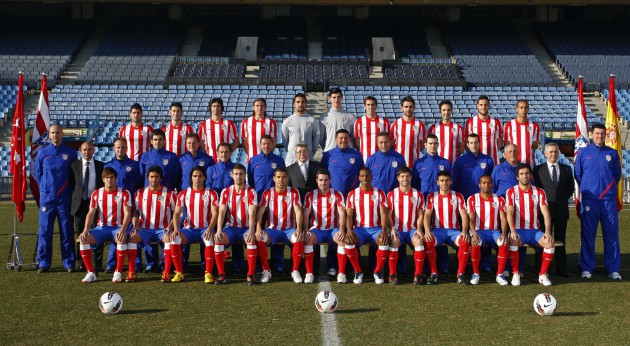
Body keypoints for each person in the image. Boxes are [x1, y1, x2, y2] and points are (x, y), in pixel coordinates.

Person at [574, 123, 622, 280]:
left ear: (606, 135)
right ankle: (587, 268)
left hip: (608, 202)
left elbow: (617, 175)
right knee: (588, 235)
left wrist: (606, 191)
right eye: (597, 133)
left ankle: (613, 269)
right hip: (590, 200)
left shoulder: (613, 153)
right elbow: (578, 174)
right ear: (591, 134)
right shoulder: (583, 153)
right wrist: (591, 189)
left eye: (602, 134)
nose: (599, 136)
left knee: (611, 236)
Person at [78, 168, 138, 283]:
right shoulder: (96, 193)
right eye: (107, 178)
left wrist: (123, 230)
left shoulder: (124, 193)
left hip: (118, 228)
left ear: (115, 179)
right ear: (103, 179)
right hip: (101, 228)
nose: (109, 180)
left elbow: (127, 213)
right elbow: (91, 213)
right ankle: (91, 273)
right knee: (83, 239)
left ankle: (118, 272)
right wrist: (85, 230)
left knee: (121, 238)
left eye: (111, 177)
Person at [34, 125, 78, 273]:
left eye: (58, 132)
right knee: (45, 232)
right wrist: (46, 190)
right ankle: (44, 263)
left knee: (67, 231)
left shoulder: (71, 153)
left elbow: (74, 176)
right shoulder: (42, 153)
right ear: (49, 135)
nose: (55, 135)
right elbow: (39, 175)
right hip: (47, 199)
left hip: (65, 199)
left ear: (62, 134)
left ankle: (69, 262)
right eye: (52, 133)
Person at [505, 164, 555, 286]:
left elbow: (546, 213)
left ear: (531, 176)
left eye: (527, 173)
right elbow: (509, 212)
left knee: (549, 242)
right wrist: (512, 231)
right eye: (521, 174)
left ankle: (542, 275)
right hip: (518, 230)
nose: (524, 176)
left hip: (534, 231)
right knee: (512, 241)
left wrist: (548, 232)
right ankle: (516, 273)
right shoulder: (511, 192)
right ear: (517, 177)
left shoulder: (539, 192)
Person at [254, 168, 304, 283]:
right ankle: (266, 270)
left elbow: (299, 211)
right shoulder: (268, 193)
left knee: (299, 238)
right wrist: (258, 228)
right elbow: (260, 212)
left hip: (290, 230)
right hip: (273, 230)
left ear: (287, 178)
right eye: (278, 177)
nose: (280, 180)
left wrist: (299, 229)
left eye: (283, 177)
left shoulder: (293, 192)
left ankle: (295, 270)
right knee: (259, 237)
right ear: (274, 178)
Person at [533, 143, 574, 277]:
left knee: (561, 240)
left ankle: (562, 269)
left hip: (561, 211)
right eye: (550, 152)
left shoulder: (567, 169)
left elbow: (570, 189)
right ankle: (543, 269)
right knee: (544, 239)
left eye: (555, 152)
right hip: (544, 212)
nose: (553, 154)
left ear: (559, 153)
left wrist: (560, 200)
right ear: (545, 153)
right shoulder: (538, 170)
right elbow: (537, 189)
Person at [172, 166, 219, 284]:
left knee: (209, 240)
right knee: (174, 239)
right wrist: (176, 229)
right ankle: (179, 272)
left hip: (205, 229)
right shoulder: (183, 193)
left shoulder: (211, 193)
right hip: (189, 230)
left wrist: (210, 229)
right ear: (191, 178)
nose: (197, 178)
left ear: (204, 178)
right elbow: (177, 213)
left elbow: (215, 214)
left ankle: (208, 273)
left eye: (199, 176)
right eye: (194, 176)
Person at [422, 170, 471, 285]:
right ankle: (434, 273)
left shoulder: (458, 196)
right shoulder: (432, 196)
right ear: (437, 182)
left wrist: (464, 231)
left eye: (447, 181)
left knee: (464, 241)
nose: (444, 183)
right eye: (442, 181)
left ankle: (460, 274)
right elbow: (427, 215)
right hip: (437, 231)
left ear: (451, 181)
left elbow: (464, 215)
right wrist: (427, 231)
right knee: (429, 241)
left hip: (454, 231)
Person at [103, 138, 143, 272]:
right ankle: (111, 264)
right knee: (116, 233)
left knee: (132, 233)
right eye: (118, 147)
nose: (120, 150)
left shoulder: (134, 165)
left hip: (130, 205)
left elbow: (138, 184)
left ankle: (136, 263)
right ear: (114, 148)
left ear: (127, 148)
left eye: (123, 147)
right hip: (113, 207)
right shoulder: (108, 166)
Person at [216, 164, 260, 285]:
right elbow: (221, 212)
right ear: (232, 175)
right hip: (231, 228)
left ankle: (250, 275)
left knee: (251, 240)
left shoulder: (251, 192)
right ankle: (221, 274)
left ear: (244, 176)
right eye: (236, 174)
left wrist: (251, 231)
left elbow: (252, 214)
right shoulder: (226, 192)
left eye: (241, 174)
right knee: (219, 239)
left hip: (246, 227)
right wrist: (219, 229)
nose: (238, 177)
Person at [345, 168, 389, 285]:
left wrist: (384, 231)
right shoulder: (352, 194)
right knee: (349, 241)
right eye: (362, 176)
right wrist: (349, 230)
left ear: (371, 177)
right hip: (360, 229)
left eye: (367, 176)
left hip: (376, 229)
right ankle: (358, 271)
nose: (365, 179)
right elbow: (349, 215)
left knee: (384, 241)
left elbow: (384, 213)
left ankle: (377, 271)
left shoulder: (379, 193)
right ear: (359, 178)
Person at [133, 166, 177, 282]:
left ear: (160, 178)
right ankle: (132, 271)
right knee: (132, 238)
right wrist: (135, 224)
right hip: (144, 229)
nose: (154, 179)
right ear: (148, 178)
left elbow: (175, 213)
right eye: (152, 177)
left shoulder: (169, 193)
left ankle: (166, 272)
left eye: (156, 177)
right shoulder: (140, 193)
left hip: (163, 229)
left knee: (168, 239)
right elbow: (134, 212)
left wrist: (171, 226)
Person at [303, 169, 347, 283]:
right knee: (307, 240)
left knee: (342, 240)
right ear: (317, 181)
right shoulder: (310, 195)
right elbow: (306, 214)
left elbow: (342, 213)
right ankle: (309, 273)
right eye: (321, 180)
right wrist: (305, 230)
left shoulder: (337, 194)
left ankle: (341, 274)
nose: (323, 183)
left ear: (330, 180)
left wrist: (342, 230)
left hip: (332, 229)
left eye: (326, 180)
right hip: (317, 230)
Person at [386, 166, 426, 285]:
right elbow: (388, 214)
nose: (405, 179)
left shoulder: (418, 195)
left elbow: (420, 214)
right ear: (398, 178)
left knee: (419, 241)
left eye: (407, 176)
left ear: (411, 177)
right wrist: (392, 228)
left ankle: (417, 275)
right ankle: (392, 274)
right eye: (402, 176)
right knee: (394, 241)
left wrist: (419, 229)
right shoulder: (392, 194)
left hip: (412, 230)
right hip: (397, 229)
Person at [467, 175, 509, 286]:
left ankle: (499, 274)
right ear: (479, 185)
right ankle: (476, 273)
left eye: (489, 182)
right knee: (476, 242)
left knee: (504, 242)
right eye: (484, 183)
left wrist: (504, 234)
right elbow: (470, 219)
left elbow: (503, 218)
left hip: (494, 232)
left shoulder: (499, 199)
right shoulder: (472, 199)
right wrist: (474, 233)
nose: (486, 185)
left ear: (492, 184)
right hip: (478, 231)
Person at [70, 142, 104, 271]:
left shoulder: (101, 166)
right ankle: (81, 262)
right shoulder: (74, 166)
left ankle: (97, 263)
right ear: (80, 150)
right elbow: (73, 184)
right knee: (80, 234)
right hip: (80, 204)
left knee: (97, 234)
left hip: (95, 204)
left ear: (94, 150)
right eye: (84, 149)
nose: (87, 152)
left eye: (89, 149)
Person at [321, 129, 364, 196]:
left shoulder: (357, 155)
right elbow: (322, 175)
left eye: (346, 138)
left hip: (352, 196)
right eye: (341, 138)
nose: (343, 140)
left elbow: (361, 174)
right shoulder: (328, 155)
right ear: (336, 139)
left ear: (349, 139)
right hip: (333, 196)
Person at [282, 93, 321, 166]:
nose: (300, 104)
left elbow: (315, 141)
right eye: (298, 102)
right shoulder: (287, 121)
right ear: (294, 104)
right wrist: (293, 152)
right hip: (291, 160)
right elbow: (285, 141)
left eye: (303, 102)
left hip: (307, 159)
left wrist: (309, 152)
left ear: (306, 104)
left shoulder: (313, 121)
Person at [452, 133, 494, 200]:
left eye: (476, 142)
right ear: (467, 145)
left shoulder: (488, 160)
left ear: (479, 143)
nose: (474, 145)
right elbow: (455, 181)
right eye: (471, 143)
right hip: (465, 198)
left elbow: (492, 180)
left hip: (483, 198)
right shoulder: (460, 160)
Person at [464, 95, 503, 165]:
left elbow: (499, 142)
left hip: (492, 160)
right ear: (477, 106)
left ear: (489, 106)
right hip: (475, 161)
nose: (483, 107)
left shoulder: (496, 122)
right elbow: (466, 143)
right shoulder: (470, 122)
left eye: (485, 105)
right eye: (481, 105)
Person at [198, 98, 239, 162]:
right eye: (214, 106)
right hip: (210, 159)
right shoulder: (204, 124)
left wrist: (229, 152)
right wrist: (206, 152)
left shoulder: (229, 124)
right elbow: (200, 142)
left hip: (225, 159)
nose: (216, 108)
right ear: (210, 108)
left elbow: (236, 142)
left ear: (221, 108)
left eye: (218, 106)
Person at [390, 96, 426, 167]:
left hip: (415, 162)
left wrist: (415, 150)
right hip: (399, 162)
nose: (408, 109)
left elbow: (423, 143)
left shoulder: (420, 125)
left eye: (410, 107)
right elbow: (391, 143)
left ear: (414, 108)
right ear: (401, 108)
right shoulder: (395, 124)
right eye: (406, 107)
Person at [503, 100, 540, 168]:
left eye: (525, 108)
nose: (523, 110)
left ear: (528, 109)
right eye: (521, 107)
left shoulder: (535, 126)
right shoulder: (508, 125)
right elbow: (507, 145)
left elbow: (535, 145)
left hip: (529, 164)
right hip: (513, 163)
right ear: (516, 109)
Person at [353, 96, 390, 162]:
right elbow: (357, 141)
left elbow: (388, 140)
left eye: (372, 104)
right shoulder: (359, 122)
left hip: (381, 158)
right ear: (364, 106)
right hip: (365, 158)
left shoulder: (384, 121)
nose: (370, 107)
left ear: (376, 106)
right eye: (368, 105)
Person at [241, 98, 278, 163]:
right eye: (257, 106)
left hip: (267, 159)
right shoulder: (246, 122)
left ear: (265, 108)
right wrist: (249, 153)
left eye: (262, 106)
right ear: (253, 107)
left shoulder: (271, 122)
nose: (259, 108)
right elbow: (244, 141)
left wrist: (268, 153)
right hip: (251, 159)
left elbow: (273, 141)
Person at [428, 100, 464, 164]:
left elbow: (461, 147)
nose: (446, 112)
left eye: (448, 110)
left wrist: (454, 156)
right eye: (444, 110)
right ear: (440, 111)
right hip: (436, 163)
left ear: (451, 111)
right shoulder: (434, 128)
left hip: (452, 163)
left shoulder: (458, 128)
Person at [321, 88, 356, 152]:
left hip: (346, 153)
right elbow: (321, 139)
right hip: (330, 152)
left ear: (342, 98)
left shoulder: (350, 117)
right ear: (329, 98)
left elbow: (353, 137)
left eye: (338, 97)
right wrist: (328, 148)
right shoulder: (324, 117)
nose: (336, 100)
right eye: (334, 97)